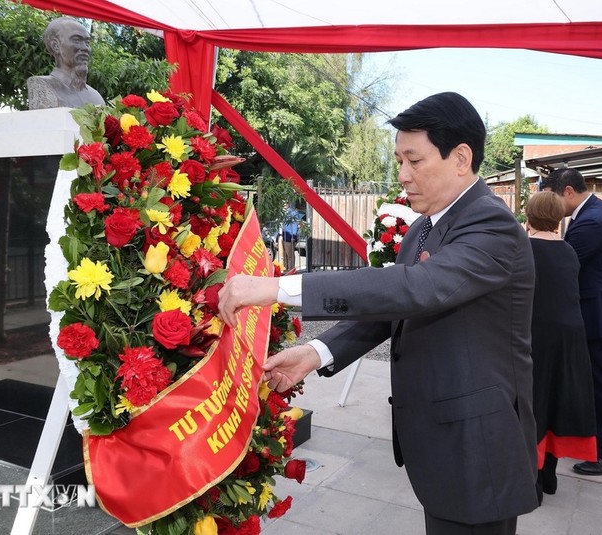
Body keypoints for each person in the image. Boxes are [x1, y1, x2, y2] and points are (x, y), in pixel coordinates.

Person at [219, 92, 539, 535]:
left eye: (414, 160)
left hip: (476, 448)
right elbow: (392, 309)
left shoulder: (492, 226)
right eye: (398, 160)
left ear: (461, 158)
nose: (402, 176)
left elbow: (417, 288)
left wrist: (278, 288)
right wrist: (316, 352)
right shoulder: (426, 228)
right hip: (445, 443)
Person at [540, 168, 602, 476]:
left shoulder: (592, 221)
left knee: (601, 383)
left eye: (552, 196)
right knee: (594, 381)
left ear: (568, 191)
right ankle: (596, 446)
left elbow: (562, 265)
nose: (552, 204)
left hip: (600, 315)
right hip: (600, 311)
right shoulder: (593, 213)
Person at [524, 191, 597, 502]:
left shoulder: (525, 248)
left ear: (529, 215)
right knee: (556, 399)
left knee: (534, 402)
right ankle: (549, 475)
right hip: (570, 337)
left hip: (537, 334)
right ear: (558, 217)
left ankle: (533, 483)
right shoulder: (568, 250)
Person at [27, 17, 105, 110]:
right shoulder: (42, 86)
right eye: (76, 40)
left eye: (87, 43)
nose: (85, 48)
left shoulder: (96, 97)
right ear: (55, 45)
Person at [281, 202, 301, 271]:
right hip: (284, 236)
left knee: (290, 255)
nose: (284, 205)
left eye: (286, 203)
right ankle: (286, 268)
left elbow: (294, 225)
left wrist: (293, 236)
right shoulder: (284, 212)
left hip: (289, 237)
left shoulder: (293, 213)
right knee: (285, 254)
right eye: (283, 203)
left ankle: (291, 269)